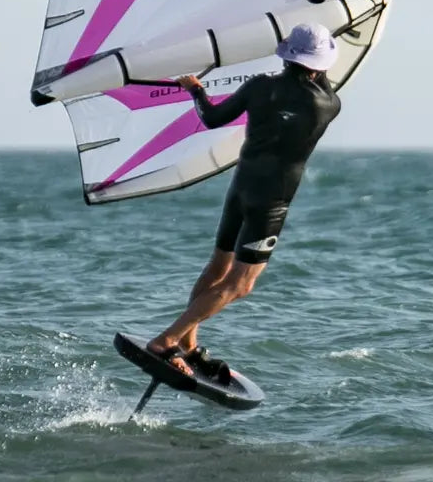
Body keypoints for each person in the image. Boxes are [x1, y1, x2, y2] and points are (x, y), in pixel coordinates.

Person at [143, 23, 342, 382]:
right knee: (240, 284)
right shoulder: (328, 105)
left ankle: (188, 345)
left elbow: (212, 118)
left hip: (241, 188)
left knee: (217, 268)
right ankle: (166, 341)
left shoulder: (259, 86)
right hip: (271, 201)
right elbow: (319, 81)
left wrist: (196, 90)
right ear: (320, 64)